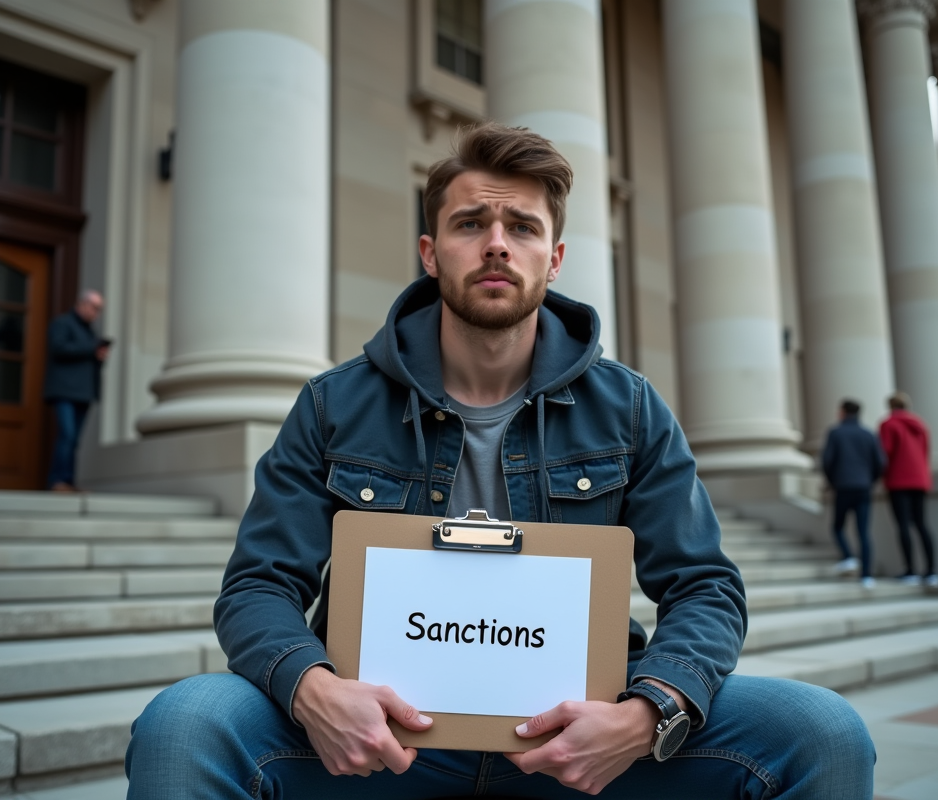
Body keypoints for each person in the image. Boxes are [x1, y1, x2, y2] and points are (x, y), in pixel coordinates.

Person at [124, 123, 873, 798]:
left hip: (577, 741)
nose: (495, 243)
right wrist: (312, 689)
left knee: (822, 732)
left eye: (521, 225)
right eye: (470, 223)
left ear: (554, 257)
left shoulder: (632, 408)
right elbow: (257, 585)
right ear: (430, 251)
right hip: (383, 744)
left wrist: (648, 714)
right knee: (186, 723)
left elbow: (707, 588)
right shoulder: (332, 405)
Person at [44, 289, 108, 492]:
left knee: (75, 440)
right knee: (67, 435)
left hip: (84, 393)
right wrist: (91, 348)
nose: (96, 313)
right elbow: (58, 348)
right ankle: (57, 481)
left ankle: (68, 481)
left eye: (100, 310)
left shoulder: (91, 332)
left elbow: (88, 361)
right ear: (82, 303)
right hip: (64, 391)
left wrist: (99, 358)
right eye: (95, 307)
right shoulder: (63, 323)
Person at [821, 399, 886, 589]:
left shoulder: (835, 433)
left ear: (842, 412)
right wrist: (869, 480)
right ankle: (867, 576)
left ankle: (848, 556)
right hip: (863, 487)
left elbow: (827, 461)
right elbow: (881, 462)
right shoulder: (868, 434)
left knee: (838, 526)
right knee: (863, 532)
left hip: (843, 487)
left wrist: (833, 481)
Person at [880, 391, 938, 589]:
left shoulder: (888, 424)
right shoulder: (920, 425)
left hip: (898, 480)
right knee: (922, 525)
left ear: (890, 406)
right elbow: (925, 452)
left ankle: (910, 570)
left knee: (903, 525)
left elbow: (885, 453)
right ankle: (931, 571)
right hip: (920, 480)